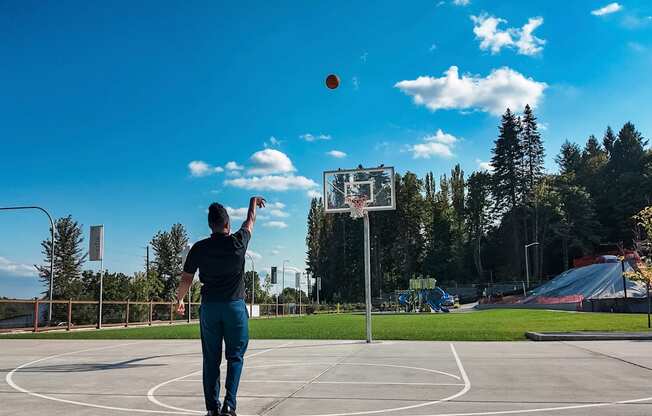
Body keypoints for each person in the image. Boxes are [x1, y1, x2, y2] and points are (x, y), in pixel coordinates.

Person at [176, 196, 265, 416]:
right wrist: (253, 201)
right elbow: (250, 221)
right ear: (228, 224)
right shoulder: (238, 241)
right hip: (234, 307)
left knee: (211, 359)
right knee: (235, 357)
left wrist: (179, 299)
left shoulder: (199, 248)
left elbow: (186, 278)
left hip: (210, 308)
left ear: (210, 225)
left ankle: (211, 408)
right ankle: (229, 405)